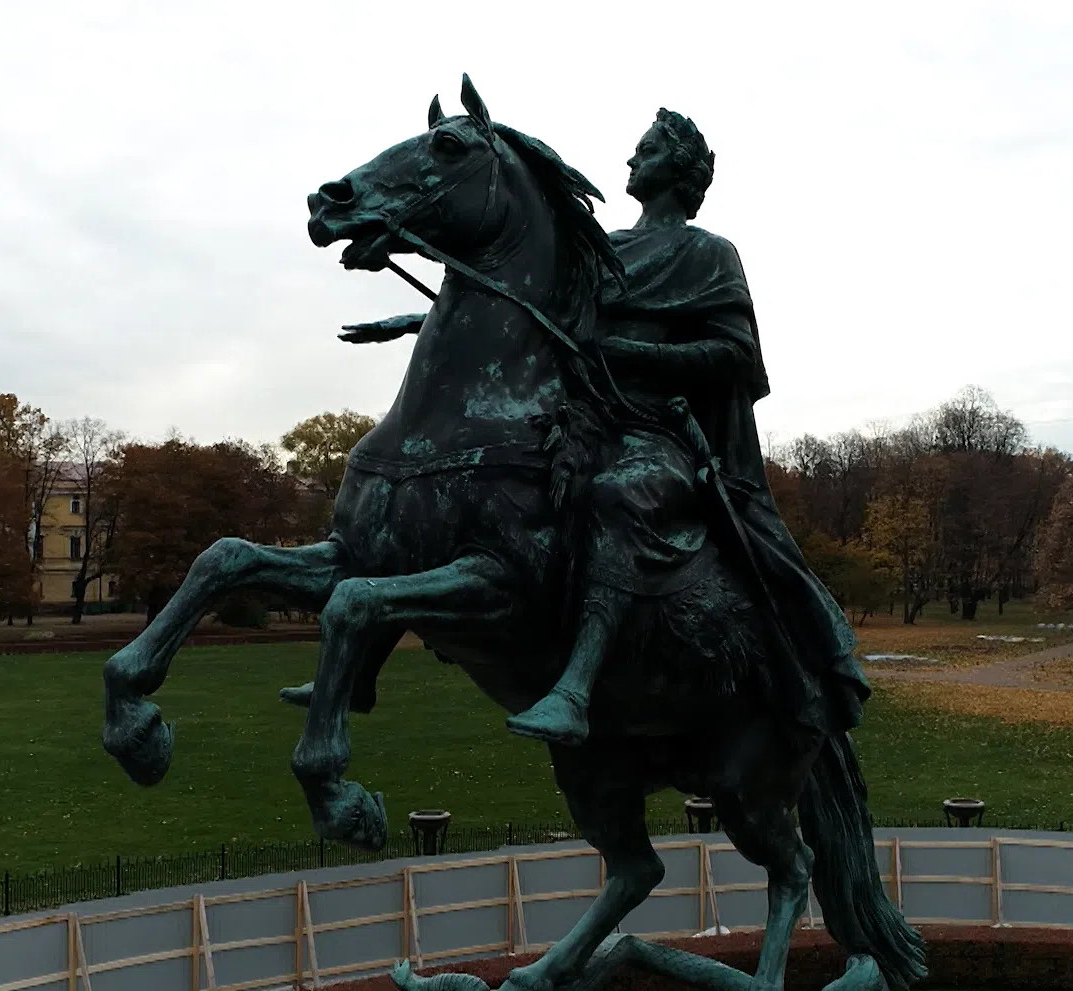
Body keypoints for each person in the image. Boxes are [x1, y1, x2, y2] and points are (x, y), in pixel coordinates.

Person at [330, 109, 869, 744]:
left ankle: (576, 690)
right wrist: (412, 323)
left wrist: (631, 354)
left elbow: (735, 357)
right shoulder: (605, 248)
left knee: (618, 492)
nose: (631, 161)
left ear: (681, 171)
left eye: (645, 151)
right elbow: (535, 320)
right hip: (583, 419)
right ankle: (366, 661)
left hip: (654, 432)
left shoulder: (707, 254)